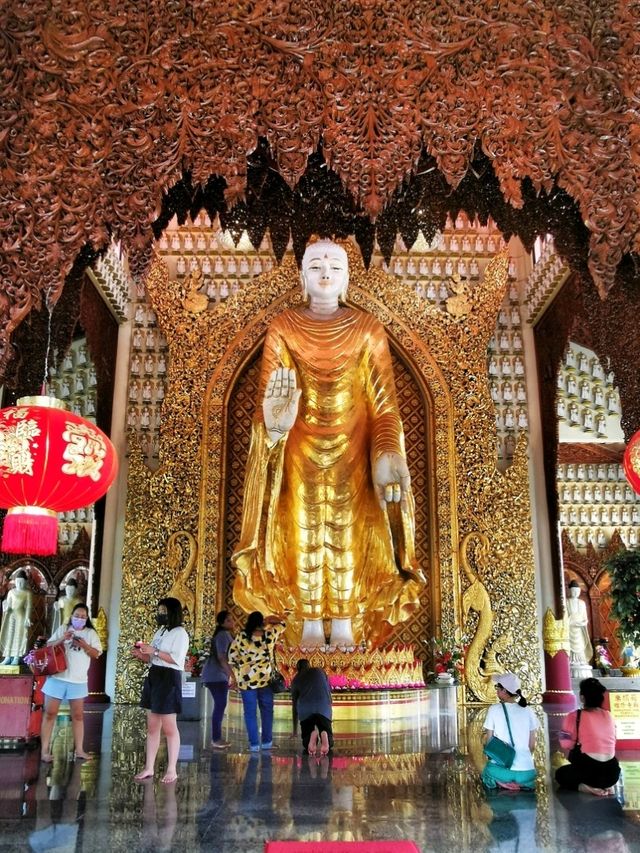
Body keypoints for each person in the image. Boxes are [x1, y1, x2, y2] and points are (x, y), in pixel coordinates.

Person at [232, 239, 424, 649]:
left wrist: (388, 452)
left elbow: (385, 407)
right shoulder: (283, 326)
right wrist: (274, 427)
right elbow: (273, 396)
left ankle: (344, 626)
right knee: (302, 534)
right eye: (316, 265)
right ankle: (309, 628)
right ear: (302, 276)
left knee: (349, 535)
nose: (325, 273)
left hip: (354, 452)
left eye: (335, 266)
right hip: (298, 449)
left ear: (347, 278)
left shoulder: (367, 328)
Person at [132, 597, 189, 784]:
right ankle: (149, 767)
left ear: (172, 612)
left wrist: (154, 652)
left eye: (164, 611)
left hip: (169, 678)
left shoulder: (180, 633)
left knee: (169, 726)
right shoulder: (161, 630)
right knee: (152, 725)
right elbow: (154, 658)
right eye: (159, 611)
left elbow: (176, 659)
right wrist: (143, 655)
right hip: (154, 676)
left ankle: (172, 768)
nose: (160, 614)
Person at [40, 603, 102, 763]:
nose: (79, 619)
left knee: (78, 716)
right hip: (57, 678)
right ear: (71, 616)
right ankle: (44, 751)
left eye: (83, 617)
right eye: (77, 616)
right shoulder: (63, 628)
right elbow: (48, 646)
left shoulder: (91, 634)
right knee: (49, 714)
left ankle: (80, 750)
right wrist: (63, 638)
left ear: (87, 619)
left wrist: (84, 645)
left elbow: (96, 654)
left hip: (78, 681)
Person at [228, 610, 286, 752]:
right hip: (265, 680)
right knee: (267, 711)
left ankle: (254, 744)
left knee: (249, 713)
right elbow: (283, 623)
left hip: (246, 681)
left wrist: (238, 673)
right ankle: (267, 742)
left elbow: (232, 657)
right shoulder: (269, 635)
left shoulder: (241, 637)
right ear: (261, 622)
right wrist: (268, 620)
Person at [556, 677, 620, 796]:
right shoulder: (609, 715)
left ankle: (587, 788)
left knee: (560, 774)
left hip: (589, 772)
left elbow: (566, 744)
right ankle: (605, 786)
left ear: (582, 697)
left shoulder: (575, 715)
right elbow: (613, 740)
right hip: (612, 773)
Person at [482, 672, 538, 791]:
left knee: (487, 772)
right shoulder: (528, 711)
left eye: (498, 687)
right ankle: (523, 784)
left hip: (503, 771)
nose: (496, 690)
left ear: (505, 691)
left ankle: (502, 783)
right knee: (529, 778)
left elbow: (489, 743)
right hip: (527, 772)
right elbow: (532, 746)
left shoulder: (493, 710)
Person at [202, 609, 235, 749]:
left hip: (218, 674)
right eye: (228, 620)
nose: (232, 622)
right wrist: (232, 675)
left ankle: (216, 738)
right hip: (216, 675)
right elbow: (222, 658)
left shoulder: (225, 635)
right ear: (221, 623)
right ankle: (216, 738)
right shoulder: (222, 635)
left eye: (232, 619)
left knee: (220, 705)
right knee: (220, 705)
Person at [290, 658, 334, 755]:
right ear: (309, 665)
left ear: (297, 668)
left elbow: (294, 706)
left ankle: (311, 737)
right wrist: (329, 712)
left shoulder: (296, 680)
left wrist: (294, 730)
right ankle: (325, 735)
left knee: (307, 742)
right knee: (328, 738)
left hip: (306, 711)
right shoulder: (319, 671)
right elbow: (328, 691)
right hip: (323, 708)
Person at [0, 570, 33, 665]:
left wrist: (27, 618)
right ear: (15, 582)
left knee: (19, 636)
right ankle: (7, 656)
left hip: (21, 616)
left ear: (25, 582)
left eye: (22, 582)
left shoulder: (27, 593)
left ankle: (16, 657)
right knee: (9, 635)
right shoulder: (11, 592)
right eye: (18, 582)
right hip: (11, 615)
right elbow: (8, 604)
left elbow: (29, 607)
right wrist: (6, 606)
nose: (20, 584)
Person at [567, 580, 593, 677]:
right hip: (570, 629)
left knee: (581, 646)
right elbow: (565, 617)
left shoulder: (582, 603)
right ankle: (572, 660)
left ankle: (581, 660)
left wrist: (583, 623)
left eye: (577, 591)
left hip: (580, 629)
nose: (575, 593)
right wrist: (571, 622)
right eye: (573, 591)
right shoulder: (566, 602)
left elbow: (585, 618)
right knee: (570, 647)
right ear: (570, 591)